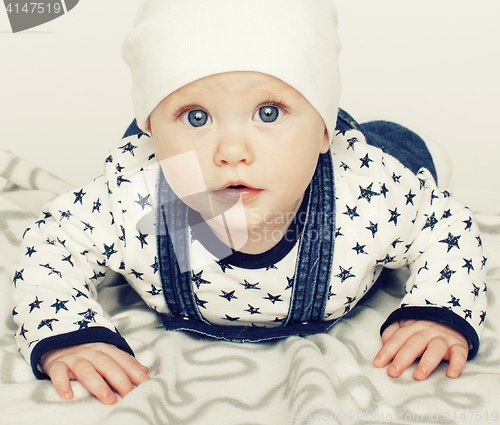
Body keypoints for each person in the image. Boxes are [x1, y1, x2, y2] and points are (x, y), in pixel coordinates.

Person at [11, 0, 487, 405]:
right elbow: (51, 245)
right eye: (195, 117)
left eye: (269, 112)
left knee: (405, 158)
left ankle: (400, 143)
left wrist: (436, 309)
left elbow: (446, 227)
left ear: (323, 127)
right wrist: (68, 334)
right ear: (153, 134)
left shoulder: (367, 195)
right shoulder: (136, 196)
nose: (232, 151)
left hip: (355, 163)